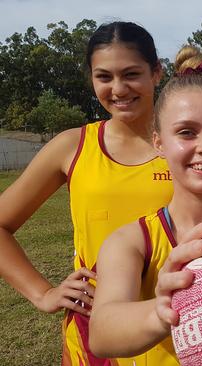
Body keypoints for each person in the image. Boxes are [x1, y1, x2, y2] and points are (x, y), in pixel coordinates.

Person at [0, 22, 173, 365]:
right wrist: (43, 293)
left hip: (176, 326)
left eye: (131, 74)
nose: (119, 88)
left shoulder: (184, 142)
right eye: (104, 77)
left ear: (156, 72)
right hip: (96, 335)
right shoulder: (72, 146)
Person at [88, 45, 202, 363]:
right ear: (158, 142)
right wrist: (161, 311)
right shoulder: (133, 240)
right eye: (186, 132)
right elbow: (102, 332)